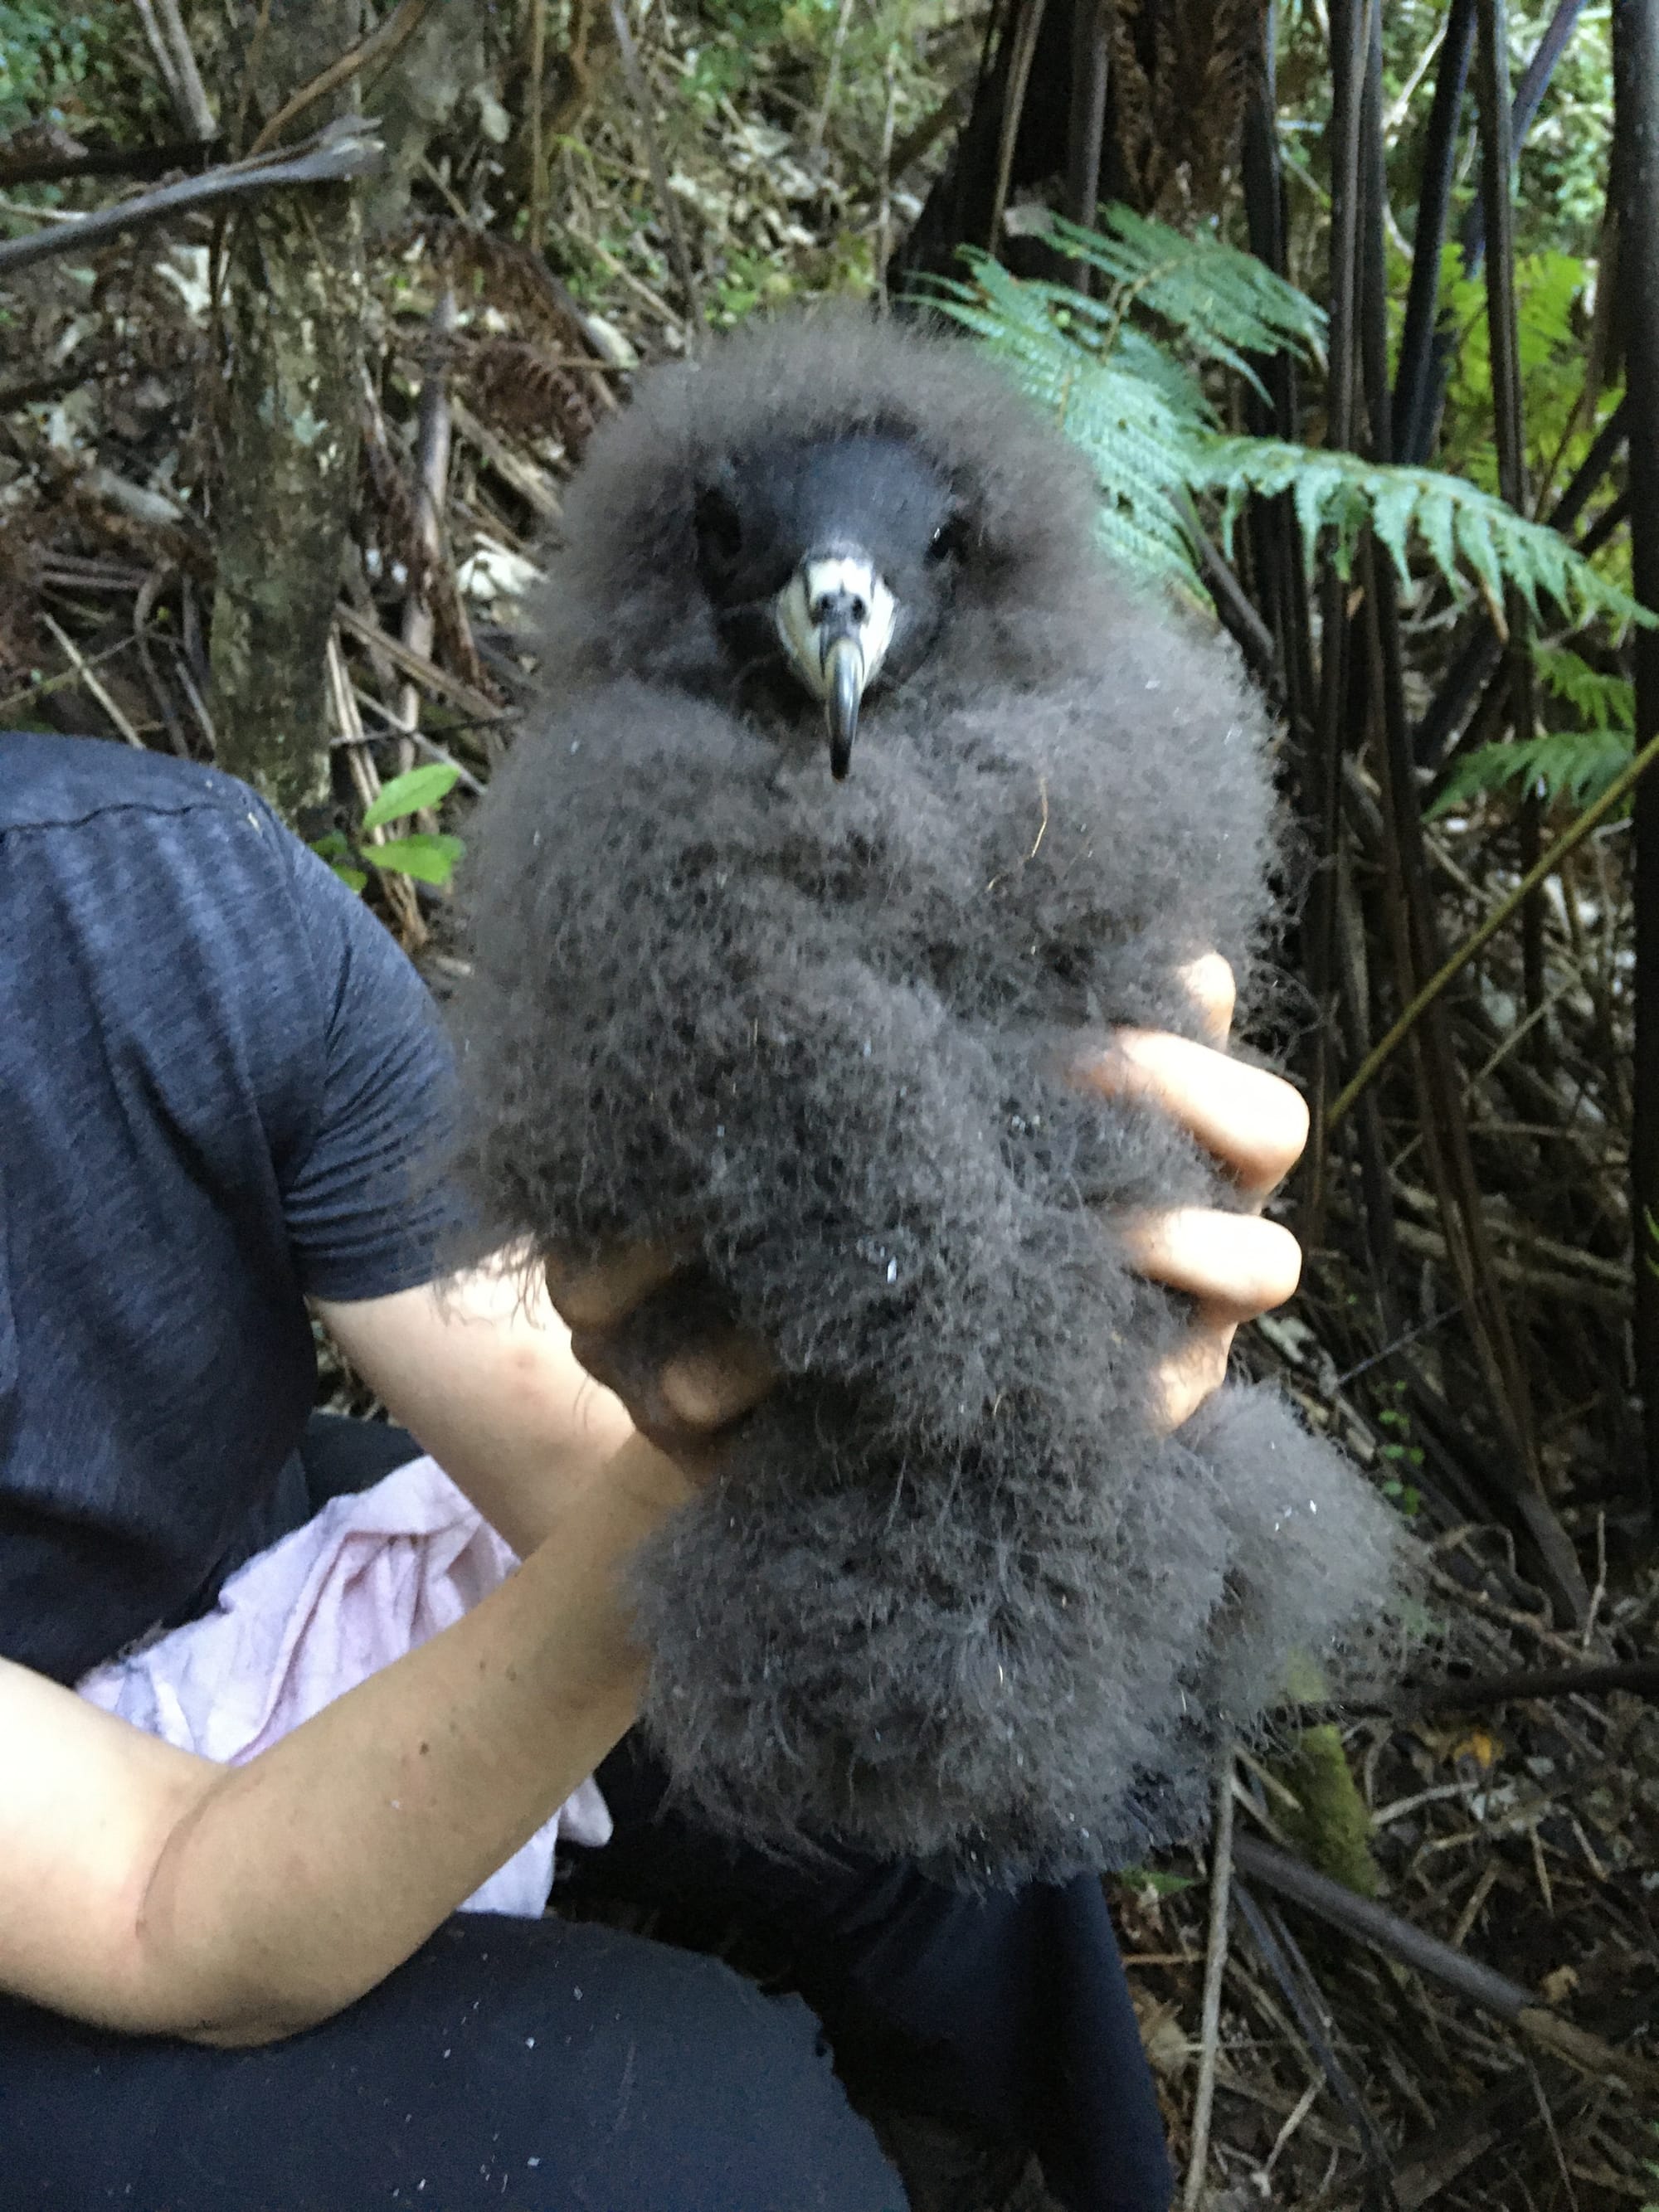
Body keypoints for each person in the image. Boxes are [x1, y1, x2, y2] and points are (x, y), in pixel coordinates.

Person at [0, 731, 1307, 2212]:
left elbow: (558, 1429)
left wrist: (937, 1368)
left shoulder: (147, 890)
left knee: (930, 1703)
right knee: (678, 2130)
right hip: (87, 1886)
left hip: (223, 1538)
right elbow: (164, 1902)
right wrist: (710, 1461)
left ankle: (1005, 2158)